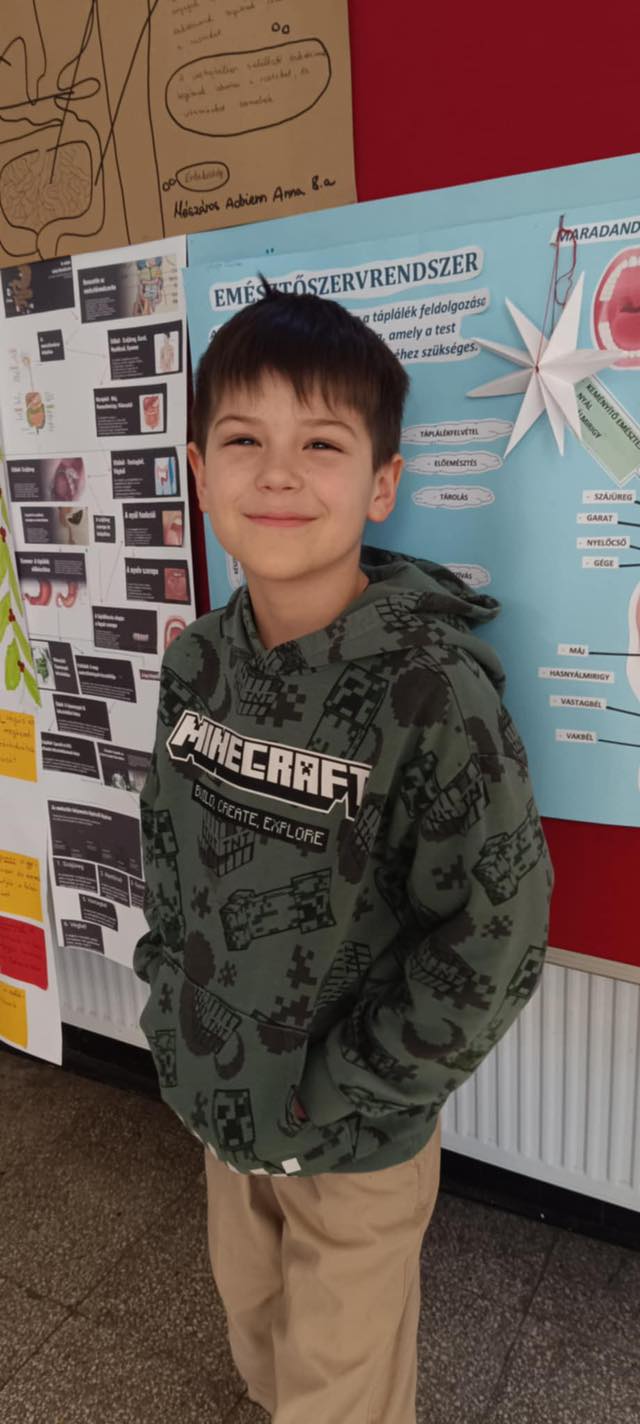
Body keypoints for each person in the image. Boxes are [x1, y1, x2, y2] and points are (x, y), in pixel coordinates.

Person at [133, 279, 553, 1423]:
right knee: (259, 1334)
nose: (278, 472)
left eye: (319, 442)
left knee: (341, 1390)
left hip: (353, 1135)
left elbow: (497, 931)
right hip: (221, 1100)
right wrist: (169, 1008)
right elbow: (168, 848)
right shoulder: (196, 663)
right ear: (199, 470)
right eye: (244, 440)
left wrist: (340, 1089)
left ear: (380, 482)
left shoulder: (432, 692)